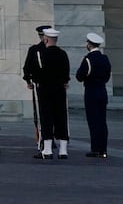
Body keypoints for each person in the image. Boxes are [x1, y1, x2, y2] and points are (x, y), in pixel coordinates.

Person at [33, 27, 71, 159]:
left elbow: (36, 74)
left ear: (46, 39)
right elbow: (66, 73)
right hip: (60, 90)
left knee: (46, 118)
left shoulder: (40, 54)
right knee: (61, 118)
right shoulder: (63, 54)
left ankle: (48, 150)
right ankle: (63, 150)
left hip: (45, 90)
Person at [77, 32, 111, 158]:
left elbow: (79, 76)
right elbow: (107, 76)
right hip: (102, 91)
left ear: (89, 44)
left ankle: (95, 148)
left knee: (93, 121)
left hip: (91, 91)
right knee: (102, 121)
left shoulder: (88, 59)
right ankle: (103, 149)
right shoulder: (105, 58)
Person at [22, 25, 49, 152]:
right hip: (54, 87)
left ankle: (44, 140)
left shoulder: (35, 49)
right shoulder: (57, 50)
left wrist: (28, 81)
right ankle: (48, 139)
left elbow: (27, 67)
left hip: (41, 85)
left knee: (42, 113)